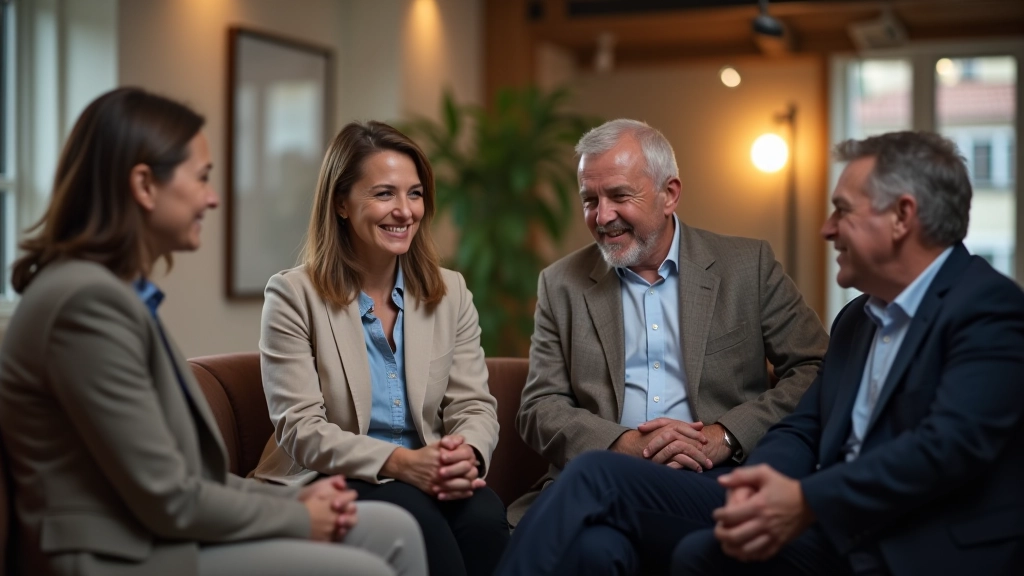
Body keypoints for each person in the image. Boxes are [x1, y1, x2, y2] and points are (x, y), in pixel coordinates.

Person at [495, 130, 1024, 576]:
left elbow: (946, 446)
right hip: (822, 514)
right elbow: (807, 427)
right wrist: (759, 485)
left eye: (841, 210)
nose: (826, 228)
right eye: (590, 200)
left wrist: (733, 446)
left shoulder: (989, 309)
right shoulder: (860, 318)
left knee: (608, 489)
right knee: (616, 543)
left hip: (916, 538)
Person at [0, 88, 427, 576]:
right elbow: (169, 496)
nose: (213, 198)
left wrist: (301, 500)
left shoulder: (112, 293)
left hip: (154, 532)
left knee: (394, 529)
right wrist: (298, 516)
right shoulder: (85, 304)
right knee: (365, 568)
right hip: (118, 555)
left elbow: (187, 479)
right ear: (144, 185)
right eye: (201, 178)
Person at [509, 118, 828, 543]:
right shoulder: (560, 283)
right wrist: (621, 444)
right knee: (593, 550)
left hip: (716, 475)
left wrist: (726, 435)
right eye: (589, 200)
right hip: (603, 477)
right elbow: (539, 406)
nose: (602, 216)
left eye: (619, 195)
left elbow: (815, 367)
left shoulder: (747, 267)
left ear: (669, 194)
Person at [252, 120, 509, 576]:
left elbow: (473, 404)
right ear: (341, 203)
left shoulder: (451, 292)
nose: (405, 211)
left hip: (426, 472)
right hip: (332, 477)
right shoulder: (292, 296)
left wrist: (464, 455)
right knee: (417, 517)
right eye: (385, 194)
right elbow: (300, 428)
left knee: (486, 518)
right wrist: (402, 463)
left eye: (415, 194)